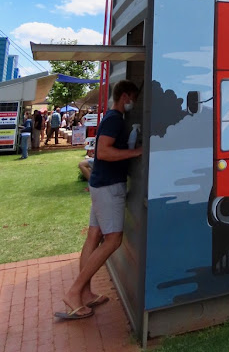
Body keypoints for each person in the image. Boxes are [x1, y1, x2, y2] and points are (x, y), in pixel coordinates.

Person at [55, 80, 142, 321]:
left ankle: (85, 293)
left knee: (94, 236)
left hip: (100, 184)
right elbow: (103, 152)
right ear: (125, 96)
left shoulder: (111, 118)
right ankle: (74, 293)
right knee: (113, 240)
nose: (133, 103)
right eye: (133, 98)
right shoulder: (115, 120)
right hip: (109, 187)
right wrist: (134, 152)